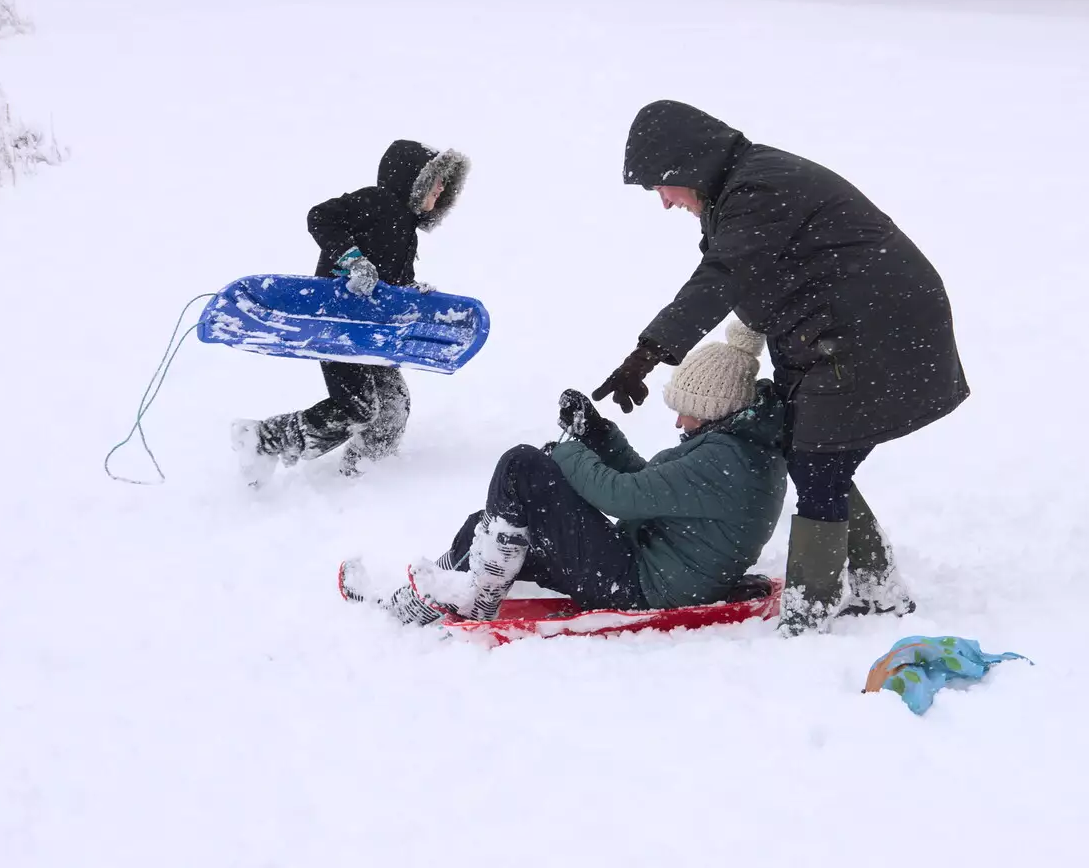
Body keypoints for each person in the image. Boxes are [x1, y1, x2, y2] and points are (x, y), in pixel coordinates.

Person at [591, 100, 969, 633]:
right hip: (837, 332)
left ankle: (812, 611)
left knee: (819, 464)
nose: (664, 202)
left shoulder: (757, 189)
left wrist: (648, 352)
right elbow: (751, 277)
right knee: (813, 454)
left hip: (875, 332)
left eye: (660, 186)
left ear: (685, 165)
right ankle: (876, 586)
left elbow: (721, 276)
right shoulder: (741, 186)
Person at [344, 322, 788, 625]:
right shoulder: (734, 450)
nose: (678, 424)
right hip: (643, 570)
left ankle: (477, 593)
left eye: (687, 413)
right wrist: (598, 434)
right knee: (483, 528)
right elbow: (650, 483)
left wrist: (567, 452)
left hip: (641, 587)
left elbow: (622, 497)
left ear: (715, 411)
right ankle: (416, 603)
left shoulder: (725, 460)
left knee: (521, 465)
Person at [231, 139, 470, 486]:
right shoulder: (376, 202)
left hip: (370, 334)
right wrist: (352, 259)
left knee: (393, 404)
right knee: (356, 407)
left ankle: (363, 473)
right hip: (337, 325)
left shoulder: (407, 234)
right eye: (436, 181)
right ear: (414, 181)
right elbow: (321, 216)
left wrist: (412, 294)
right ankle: (263, 439)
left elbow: (391, 287)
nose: (441, 189)